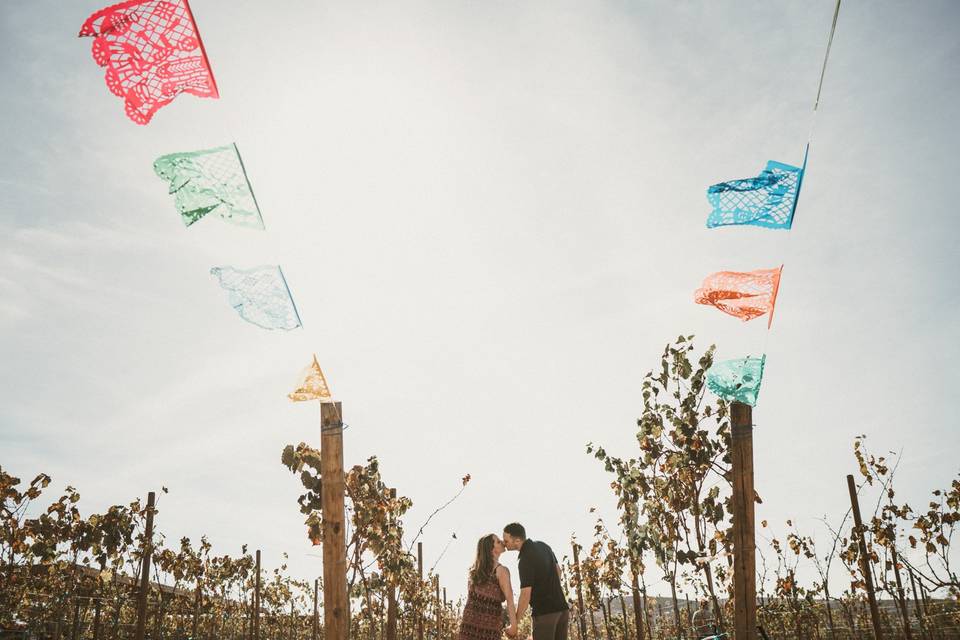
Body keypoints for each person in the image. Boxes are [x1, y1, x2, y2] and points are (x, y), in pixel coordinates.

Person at [502, 522, 569, 640]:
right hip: (562, 609)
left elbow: (525, 595)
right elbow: (558, 571)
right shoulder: (543, 546)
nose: (504, 544)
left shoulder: (524, 559)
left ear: (517, 541)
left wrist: (515, 623)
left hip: (545, 613)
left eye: (506, 541)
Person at [457, 533, 517, 640]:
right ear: (491, 549)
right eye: (498, 542)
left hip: (468, 628)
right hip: (488, 630)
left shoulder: (473, 572)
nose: (503, 542)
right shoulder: (501, 571)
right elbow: (509, 599)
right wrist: (514, 626)